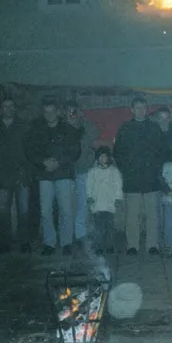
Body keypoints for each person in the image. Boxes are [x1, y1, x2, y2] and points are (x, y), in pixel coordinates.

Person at [25, 99, 82, 255]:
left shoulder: (68, 129)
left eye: (52, 111)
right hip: (45, 175)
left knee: (66, 210)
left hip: (63, 174)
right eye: (46, 112)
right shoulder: (37, 131)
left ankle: (66, 242)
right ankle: (49, 243)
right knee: (45, 211)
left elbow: (75, 151)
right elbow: (31, 151)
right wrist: (43, 162)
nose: (49, 114)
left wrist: (59, 162)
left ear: (57, 112)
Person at [113, 96, 168, 255]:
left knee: (152, 214)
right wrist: (126, 169)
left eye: (143, 108)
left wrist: (155, 169)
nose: (140, 111)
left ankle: (152, 244)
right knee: (132, 215)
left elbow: (162, 151)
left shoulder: (154, 128)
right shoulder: (125, 128)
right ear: (132, 110)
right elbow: (118, 152)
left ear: (146, 109)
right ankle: (132, 245)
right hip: (132, 179)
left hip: (151, 179)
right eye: (137, 108)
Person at [0, 98, 31, 253]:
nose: (8, 109)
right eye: (5, 106)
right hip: (1, 175)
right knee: (3, 210)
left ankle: (24, 242)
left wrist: (26, 171)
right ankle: (4, 243)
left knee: (24, 210)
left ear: (15, 108)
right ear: (0, 109)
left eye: (11, 106)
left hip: (21, 174)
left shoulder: (24, 126)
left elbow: (31, 150)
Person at [65, 100, 99, 247]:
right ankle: (74, 235)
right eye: (69, 111)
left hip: (84, 169)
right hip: (65, 172)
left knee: (83, 204)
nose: (71, 114)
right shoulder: (61, 127)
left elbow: (94, 136)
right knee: (68, 206)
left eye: (74, 111)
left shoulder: (86, 126)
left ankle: (82, 234)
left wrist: (81, 120)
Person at [86, 145, 123, 254]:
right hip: (97, 204)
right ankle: (99, 246)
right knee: (98, 227)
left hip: (109, 204)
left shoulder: (114, 171)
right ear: (97, 158)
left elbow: (118, 185)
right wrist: (89, 196)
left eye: (105, 156)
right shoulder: (93, 172)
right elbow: (89, 185)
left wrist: (118, 198)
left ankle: (109, 245)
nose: (102, 159)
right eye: (100, 157)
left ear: (109, 158)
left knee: (110, 226)